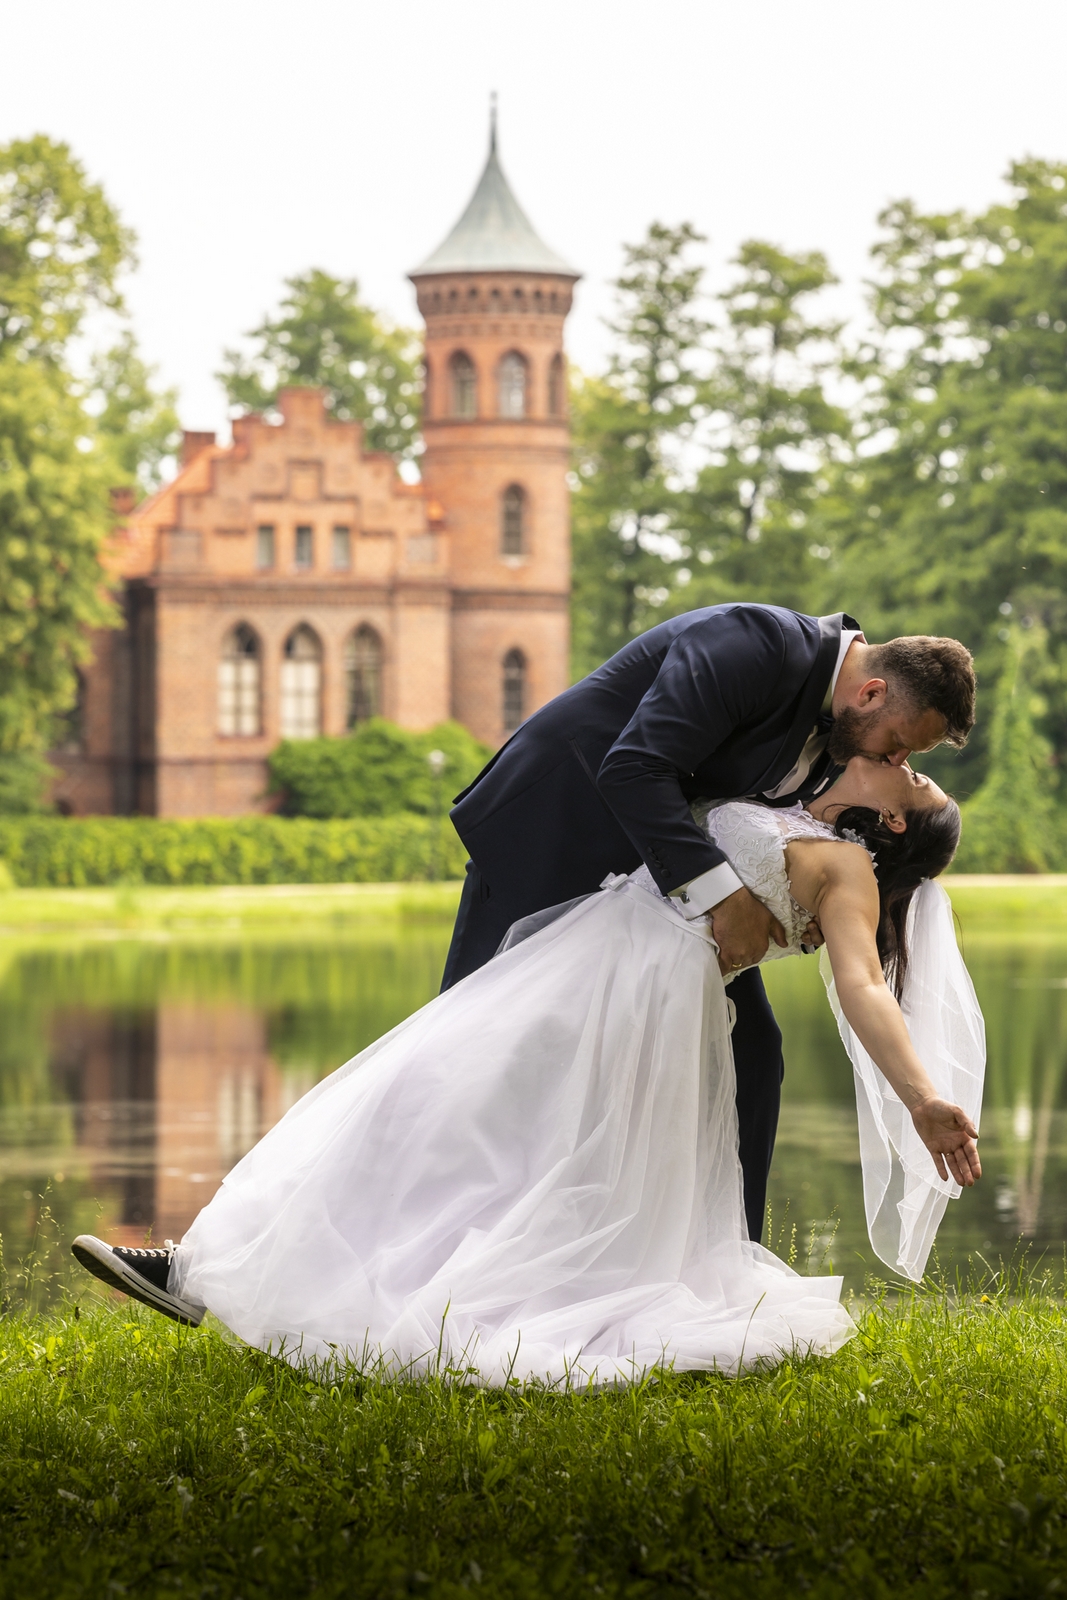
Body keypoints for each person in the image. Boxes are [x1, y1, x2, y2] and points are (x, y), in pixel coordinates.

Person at [71, 754, 984, 1385]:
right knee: (419, 1092)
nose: (907, 760)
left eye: (918, 772)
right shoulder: (798, 800)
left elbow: (863, 984)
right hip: (587, 954)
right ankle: (211, 1267)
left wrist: (924, 1099)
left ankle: (287, 1284)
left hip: (639, 994)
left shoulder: (852, 873)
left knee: (464, 1114)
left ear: (895, 819)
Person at [441, 604, 976, 1240]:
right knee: (469, 1046)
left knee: (753, 1055)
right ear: (871, 691)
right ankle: (435, 1228)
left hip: (653, 898)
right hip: (551, 834)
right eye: (899, 745)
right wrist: (728, 899)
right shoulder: (755, 643)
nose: (896, 761)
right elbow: (634, 764)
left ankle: (726, 1255)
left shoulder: (842, 747)